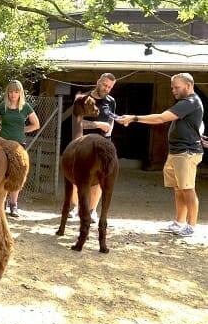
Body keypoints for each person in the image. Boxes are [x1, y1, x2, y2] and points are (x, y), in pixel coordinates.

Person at [117, 73, 204, 237]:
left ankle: (191, 226)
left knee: (188, 189)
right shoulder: (185, 103)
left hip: (187, 153)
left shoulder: (190, 102)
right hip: (177, 152)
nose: (173, 90)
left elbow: (161, 118)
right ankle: (179, 222)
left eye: (176, 87)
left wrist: (134, 118)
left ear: (189, 85)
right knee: (178, 189)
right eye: (172, 87)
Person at [68, 73, 117, 223]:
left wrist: (110, 128)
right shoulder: (82, 98)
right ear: (98, 82)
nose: (106, 88)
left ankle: (92, 210)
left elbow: (111, 119)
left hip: (103, 145)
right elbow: (78, 122)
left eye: (109, 87)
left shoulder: (111, 101)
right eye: (104, 85)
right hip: (84, 144)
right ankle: (76, 208)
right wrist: (97, 125)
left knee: (100, 179)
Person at [0, 80, 40, 217]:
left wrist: (22, 129)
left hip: (18, 146)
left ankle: (14, 205)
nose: (13, 95)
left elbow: (36, 124)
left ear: (20, 93)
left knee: (16, 175)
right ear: (7, 93)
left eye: (16, 92)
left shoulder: (25, 107)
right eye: (11, 92)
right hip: (3, 145)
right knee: (1, 174)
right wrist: (0, 132)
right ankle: (1, 204)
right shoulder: (2, 107)